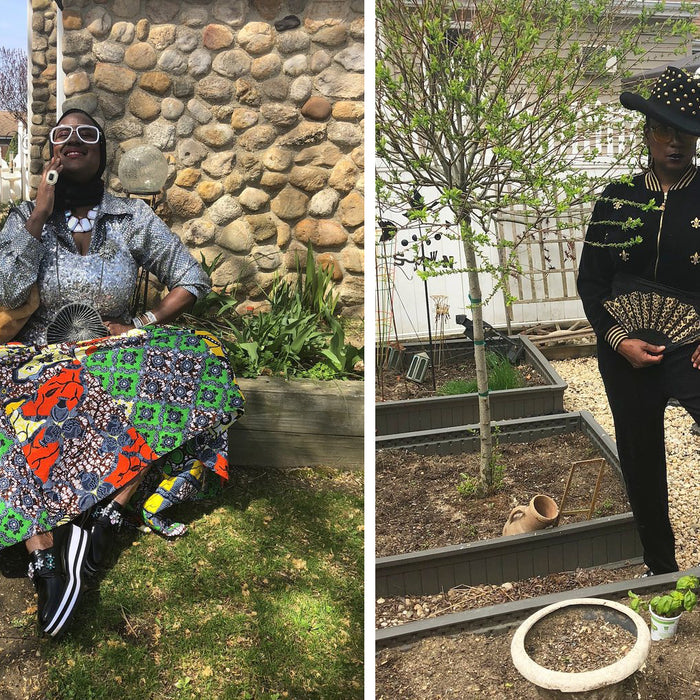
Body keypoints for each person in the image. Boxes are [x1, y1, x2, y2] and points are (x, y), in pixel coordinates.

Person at [0, 109, 245, 635]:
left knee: (196, 358)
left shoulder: (131, 218)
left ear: (101, 151)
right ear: (50, 153)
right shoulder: (24, 217)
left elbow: (191, 277)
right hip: (41, 359)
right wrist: (37, 219)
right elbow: (6, 295)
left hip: (112, 356)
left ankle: (100, 519)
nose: (71, 141)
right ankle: (42, 549)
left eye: (85, 134)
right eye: (60, 135)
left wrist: (142, 322)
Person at [577, 65, 700, 576]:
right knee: (640, 458)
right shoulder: (617, 200)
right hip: (626, 352)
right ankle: (662, 571)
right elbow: (592, 282)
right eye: (663, 129)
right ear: (646, 132)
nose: (674, 141)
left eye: (685, 131)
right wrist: (618, 338)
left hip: (694, 347)